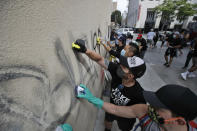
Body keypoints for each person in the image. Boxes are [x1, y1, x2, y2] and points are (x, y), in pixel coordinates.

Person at [72, 39, 146, 131]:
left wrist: (91, 98)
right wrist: (85, 50)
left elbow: (139, 114)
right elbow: (99, 59)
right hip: (110, 107)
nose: (120, 66)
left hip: (126, 117)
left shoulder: (139, 94)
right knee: (107, 122)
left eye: (124, 66)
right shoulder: (117, 71)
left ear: (130, 76)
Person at [76, 84, 197, 131]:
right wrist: (91, 98)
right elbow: (115, 109)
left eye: (159, 108)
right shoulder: (145, 112)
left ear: (180, 121)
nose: (151, 108)